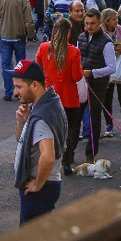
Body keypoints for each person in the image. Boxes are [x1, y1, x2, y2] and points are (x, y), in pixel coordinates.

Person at [4, 59, 67, 241]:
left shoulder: (42, 117)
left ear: (35, 86)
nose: (15, 92)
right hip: (44, 186)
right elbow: (22, 141)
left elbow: (47, 157)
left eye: (19, 86)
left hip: (41, 189)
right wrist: (21, 121)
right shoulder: (44, 106)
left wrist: (38, 184)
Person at [36, 17, 84, 176]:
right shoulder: (74, 51)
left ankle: (48, 157)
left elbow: (38, 70)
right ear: (69, 33)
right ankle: (67, 161)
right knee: (70, 130)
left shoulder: (43, 48)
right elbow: (77, 76)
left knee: (48, 130)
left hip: (49, 96)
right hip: (68, 97)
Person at [77, 8, 116, 162]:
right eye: (86, 23)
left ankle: (91, 154)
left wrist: (92, 72)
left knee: (94, 118)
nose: (89, 26)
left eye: (92, 23)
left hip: (98, 84)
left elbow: (112, 68)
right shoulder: (81, 37)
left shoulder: (107, 42)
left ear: (100, 23)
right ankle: (69, 153)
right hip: (81, 82)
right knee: (75, 116)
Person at [0, 0, 36, 102]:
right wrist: (30, 35)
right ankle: (20, 90)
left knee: (6, 65)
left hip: (5, 36)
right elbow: (29, 21)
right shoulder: (23, 0)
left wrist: (0, 28)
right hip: (19, 36)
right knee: (21, 64)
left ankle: (8, 91)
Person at [102, 8, 121, 137]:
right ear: (106, 21)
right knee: (106, 99)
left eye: (116, 18)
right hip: (107, 68)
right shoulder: (101, 32)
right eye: (113, 19)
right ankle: (109, 125)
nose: (116, 21)